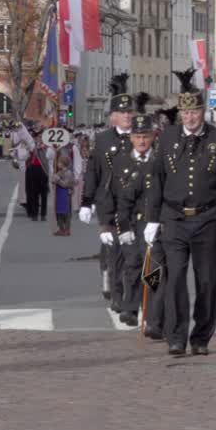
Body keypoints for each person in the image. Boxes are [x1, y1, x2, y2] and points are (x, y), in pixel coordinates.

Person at [144, 69, 216, 357]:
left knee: (206, 280)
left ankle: (201, 337)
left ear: (203, 111)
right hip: (174, 218)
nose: (190, 118)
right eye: (186, 113)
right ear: (181, 114)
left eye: (195, 112)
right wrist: (152, 219)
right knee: (174, 278)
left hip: (206, 218)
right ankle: (176, 336)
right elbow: (157, 179)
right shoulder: (168, 138)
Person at [98, 108, 163, 329]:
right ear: (131, 137)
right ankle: (131, 307)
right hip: (129, 223)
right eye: (138, 136)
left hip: (155, 223)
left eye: (146, 136)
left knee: (153, 270)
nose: (142, 141)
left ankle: (152, 316)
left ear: (153, 137)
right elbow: (110, 195)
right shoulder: (121, 162)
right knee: (132, 266)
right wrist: (108, 225)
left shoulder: (162, 161)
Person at [79, 76, 137, 306]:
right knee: (113, 250)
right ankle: (117, 293)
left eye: (129, 112)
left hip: (135, 203)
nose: (126, 116)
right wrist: (87, 201)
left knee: (137, 253)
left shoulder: (141, 137)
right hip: (109, 203)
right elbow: (94, 171)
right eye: (122, 113)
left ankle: (140, 295)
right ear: (113, 116)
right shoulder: (103, 140)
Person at [22, 130, 51, 222]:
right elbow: (24, 156)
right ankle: (34, 214)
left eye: (41, 137)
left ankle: (43, 214)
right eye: (37, 137)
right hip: (33, 170)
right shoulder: (31, 146)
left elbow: (49, 157)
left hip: (43, 171)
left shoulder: (47, 147)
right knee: (34, 193)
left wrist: (43, 148)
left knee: (44, 194)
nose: (39, 138)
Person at [53, 150, 77, 236]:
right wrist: (54, 179)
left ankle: (67, 229)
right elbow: (54, 180)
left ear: (63, 164)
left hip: (66, 194)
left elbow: (65, 184)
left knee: (66, 212)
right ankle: (61, 228)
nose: (58, 164)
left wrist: (57, 179)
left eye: (59, 162)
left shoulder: (68, 173)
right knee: (58, 211)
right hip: (59, 194)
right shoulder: (59, 172)